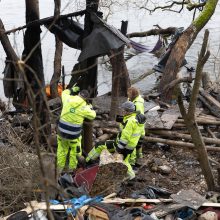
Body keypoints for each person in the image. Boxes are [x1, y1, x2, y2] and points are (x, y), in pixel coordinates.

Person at [86, 101, 146, 180]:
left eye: (123, 110)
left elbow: (125, 138)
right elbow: (141, 135)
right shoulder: (137, 120)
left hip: (121, 146)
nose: (122, 111)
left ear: (127, 111)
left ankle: (88, 162)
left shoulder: (130, 121)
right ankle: (131, 175)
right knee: (124, 160)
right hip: (130, 147)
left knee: (99, 145)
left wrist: (118, 150)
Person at [57, 87, 96, 174]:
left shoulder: (68, 98)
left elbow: (64, 92)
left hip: (61, 132)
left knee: (61, 150)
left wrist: (72, 89)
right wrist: (90, 107)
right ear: (85, 98)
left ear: (78, 94)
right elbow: (93, 115)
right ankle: (71, 170)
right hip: (73, 136)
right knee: (74, 151)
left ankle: (59, 169)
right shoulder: (84, 107)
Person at [127, 87, 145, 165]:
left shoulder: (137, 104)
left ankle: (132, 162)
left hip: (136, 127)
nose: (127, 94)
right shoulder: (131, 100)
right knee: (137, 144)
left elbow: (139, 116)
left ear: (133, 94)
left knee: (132, 145)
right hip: (137, 127)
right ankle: (139, 158)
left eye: (129, 93)